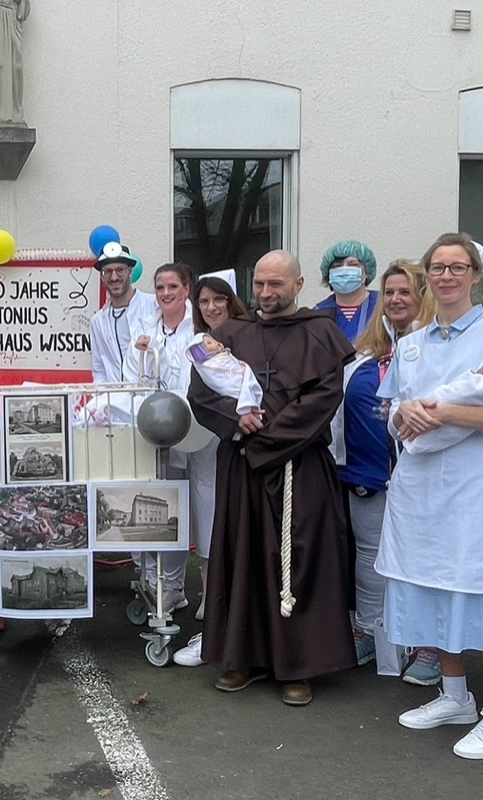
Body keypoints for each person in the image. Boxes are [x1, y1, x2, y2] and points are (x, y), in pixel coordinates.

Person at [375, 232, 483, 760]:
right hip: (421, 487)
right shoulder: (411, 342)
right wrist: (409, 415)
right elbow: (393, 415)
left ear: (476, 275)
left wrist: (436, 413)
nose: (447, 276)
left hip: (479, 487)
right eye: (438, 267)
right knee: (433, 586)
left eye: (458, 266)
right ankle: (455, 696)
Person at [186, 250, 357, 707]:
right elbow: (199, 392)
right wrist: (235, 420)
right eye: (259, 284)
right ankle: (243, 657)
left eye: (275, 284)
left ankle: (297, 666)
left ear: (298, 285)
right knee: (244, 557)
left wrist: (266, 440)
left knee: (297, 561)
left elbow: (324, 398)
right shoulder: (230, 333)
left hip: (299, 465)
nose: (265, 293)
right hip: (243, 466)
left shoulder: (321, 332)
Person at [328, 260, 435, 681]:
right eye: (389, 293)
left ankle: (429, 646)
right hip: (366, 477)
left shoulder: (437, 350)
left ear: (423, 298)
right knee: (370, 560)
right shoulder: (364, 356)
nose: (395, 300)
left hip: (422, 478)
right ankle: (367, 630)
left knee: (424, 561)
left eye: (405, 292)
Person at [126, 263, 212, 616]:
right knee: (167, 507)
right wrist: (141, 353)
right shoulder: (145, 330)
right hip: (160, 429)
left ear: (187, 289)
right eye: (160, 287)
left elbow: (212, 374)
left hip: (200, 429)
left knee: (207, 506)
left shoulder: (201, 328)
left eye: (173, 286)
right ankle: (168, 587)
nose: (165, 293)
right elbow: (133, 379)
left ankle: (212, 590)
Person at [173, 273, 248, 667]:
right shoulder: (198, 349)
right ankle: (217, 622)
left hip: (256, 453)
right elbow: (199, 398)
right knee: (214, 530)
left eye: (219, 299)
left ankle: (246, 629)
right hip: (215, 451)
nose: (212, 307)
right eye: (204, 302)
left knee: (248, 538)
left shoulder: (255, 337)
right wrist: (235, 421)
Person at [89, 243, 158, 383]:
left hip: (149, 398)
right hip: (113, 400)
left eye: (120, 270)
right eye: (107, 271)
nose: (114, 277)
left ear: (130, 272)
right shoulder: (98, 321)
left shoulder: (154, 305)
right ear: (102, 277)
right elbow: (99, 368)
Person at [315, 240, 380, 343]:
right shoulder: (319, 313)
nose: (344, 270)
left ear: (366, 272)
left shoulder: (382, 305)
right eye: (337, 266)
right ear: (329, 275)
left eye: (353, 264)